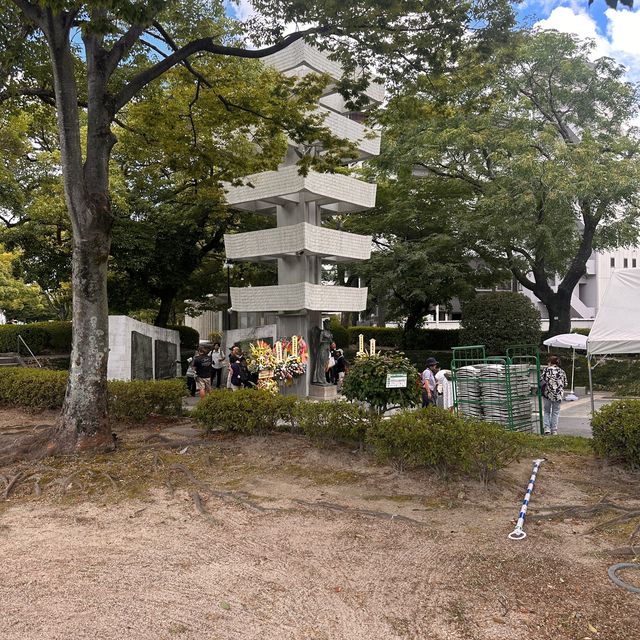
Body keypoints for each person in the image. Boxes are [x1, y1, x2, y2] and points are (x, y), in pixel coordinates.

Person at [541, 355, 568, 435]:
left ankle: (547, 429)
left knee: (546, 411)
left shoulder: (546, 370)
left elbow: (541, 380)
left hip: (547, 394)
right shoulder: (562, 371)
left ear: (549, 362)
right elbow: (565, 383)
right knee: (555, 412)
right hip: (558, 395)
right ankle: (554, 430)